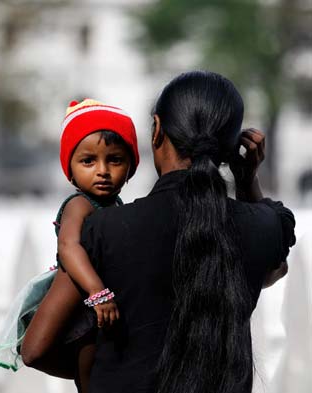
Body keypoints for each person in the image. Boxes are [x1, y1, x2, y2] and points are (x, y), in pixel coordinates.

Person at [77, 71, 296, 393]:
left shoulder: (104, 229)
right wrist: (248, 178)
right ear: (232, 145)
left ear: (156, 131)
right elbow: (271, 266)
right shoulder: (265, 225)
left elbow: (37, 349)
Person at [0, 99, 140, 393]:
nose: (103, 171)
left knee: (92, 364)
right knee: (39, 351)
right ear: (69, 169)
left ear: (131, 167)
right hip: (80, 289)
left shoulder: (118, 207)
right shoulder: (79, 205)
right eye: (88, 161)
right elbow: (69, 247)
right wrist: (98, 292)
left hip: (96, 303)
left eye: (115, 160)